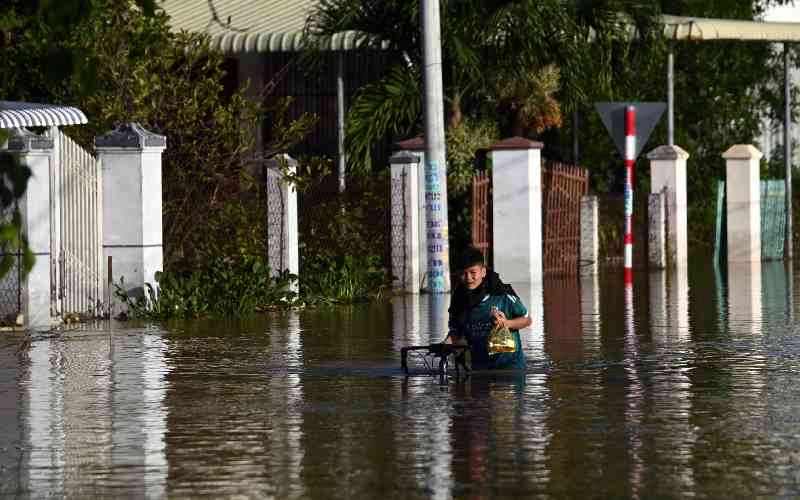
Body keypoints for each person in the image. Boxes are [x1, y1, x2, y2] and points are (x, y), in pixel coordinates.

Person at [446, 246, 532, 370]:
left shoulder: (502, 295)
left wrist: (507, 323)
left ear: (483, 272)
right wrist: (444, 345)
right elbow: (455, 333)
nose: (469, 278)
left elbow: (527, 319)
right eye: (464, 274)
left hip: (511, 368)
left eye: (473, 273)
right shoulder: (458, 302)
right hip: (479, 369)